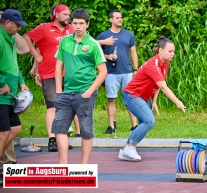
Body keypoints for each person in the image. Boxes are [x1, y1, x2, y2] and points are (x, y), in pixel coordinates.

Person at [52, 8, 107, 164]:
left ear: (87, 24)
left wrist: (89, 92)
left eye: (81, 23)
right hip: (66, 92)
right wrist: (58, 90)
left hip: (85, 93)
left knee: (86, 131)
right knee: (59, 129)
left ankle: (83, 167)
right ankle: (63, 165)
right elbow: (58, 67)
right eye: (75, 23)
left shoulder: (93, 45)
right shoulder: (64, 41)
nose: (78, 26)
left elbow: (103, 72)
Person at [118, 36, 186, 161]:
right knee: (149, 121)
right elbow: (165, 88)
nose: (173, 54)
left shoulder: (165, 64)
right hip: (132, 95)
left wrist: (154, 101)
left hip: (144, 97)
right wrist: (178, 102)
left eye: (174, 52)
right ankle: (130, 147)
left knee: (144, 123)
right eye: (170, 51)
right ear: (160, 50)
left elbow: (158, 84)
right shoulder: (152, 65)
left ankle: (125, 150)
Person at [0, 8, 29, 186]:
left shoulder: (9, 38)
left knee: (15, 129)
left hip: (10, 95)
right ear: (7, 22)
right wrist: (1, 83)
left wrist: (21, 81)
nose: (19, 28)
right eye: (17, 25)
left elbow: (13, 63)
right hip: (0, 95)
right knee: (3, 132)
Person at [98, 9, 139, 134]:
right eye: (117, 18)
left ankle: (134, 125)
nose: (120, 19)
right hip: (111, 73)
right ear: (111, 20)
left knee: (130, 99)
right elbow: (96, 53)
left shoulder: (128, 34)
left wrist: (136, 69)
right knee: (111, 99)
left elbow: (133, 51)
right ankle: (111, 126)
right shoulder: (104, 36)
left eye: (121, 17)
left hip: (127, 72)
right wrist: (108, 57)